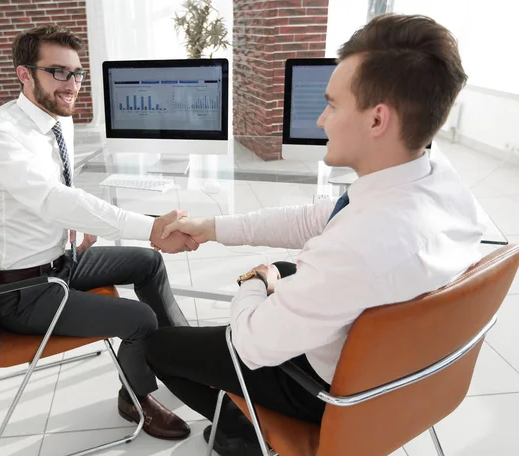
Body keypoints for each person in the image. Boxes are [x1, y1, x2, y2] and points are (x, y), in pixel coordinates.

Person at [144, 14, 484, 455]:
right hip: (400, 377)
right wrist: (212, 229)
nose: (321, 119)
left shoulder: (361, 246)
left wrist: (255, 281)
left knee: (161, 346)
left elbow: (248, 344)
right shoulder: (437, 180)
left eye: (333, 104)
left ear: (377, 120)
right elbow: (320, 218)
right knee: (288, 268)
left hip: (328, 393)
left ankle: (245, 434)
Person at [0, 25, 196, 440]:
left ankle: (184, 357)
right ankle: (136, 398)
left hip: (60, 261)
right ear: (24, 74)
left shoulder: (56, 117)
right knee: (140, 319)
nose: (72, 85)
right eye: (59, 72)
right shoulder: (1, 137)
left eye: (77, 73)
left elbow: (61, 196)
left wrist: (74, 228)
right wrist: (152, 226)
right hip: (24, 293)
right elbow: (54, 198)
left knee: (149, 262)